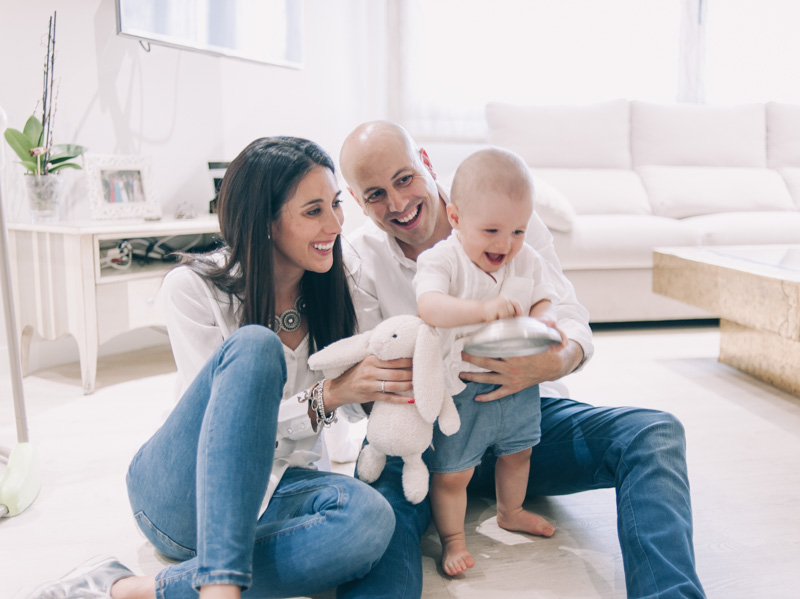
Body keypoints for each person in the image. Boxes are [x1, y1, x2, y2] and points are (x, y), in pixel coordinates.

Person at [26, 137, 408, 599]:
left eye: (336, 204)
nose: (334, 224)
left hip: (280, 491)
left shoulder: (340, 283)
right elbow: (228, 428)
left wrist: (375, 381)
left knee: (370, 519)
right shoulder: (191, 288)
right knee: (255, 347)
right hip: (185, 495)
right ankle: (219, 590)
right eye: (313, 211)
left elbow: (352, 413)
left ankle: (133, 588)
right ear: (264, 222)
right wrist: (326, 396)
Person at [338, 121, 706, 599]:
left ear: (426, 162)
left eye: (405, 178)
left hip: (526, 424)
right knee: (377, 522)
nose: (398, 204)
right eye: (375, 195)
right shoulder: (358, 262)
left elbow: (567, 314)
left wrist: (555, 361)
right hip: (427, 439)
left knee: (654, 434)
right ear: (355, 199)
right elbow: (360, 380)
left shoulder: (507, 213)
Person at [414, 148, 560, 576]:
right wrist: (480, 311)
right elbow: (430, 306)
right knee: (453, 472)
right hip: (462, 388)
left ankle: (510, 511)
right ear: (455, 218)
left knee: (519, 454)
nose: (506, 244)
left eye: (518, 230)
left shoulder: (526, 257)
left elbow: (545, 298)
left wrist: (545, 323)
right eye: (492, 230)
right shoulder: (442, 258)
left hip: (518, 380)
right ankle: (453, 539)